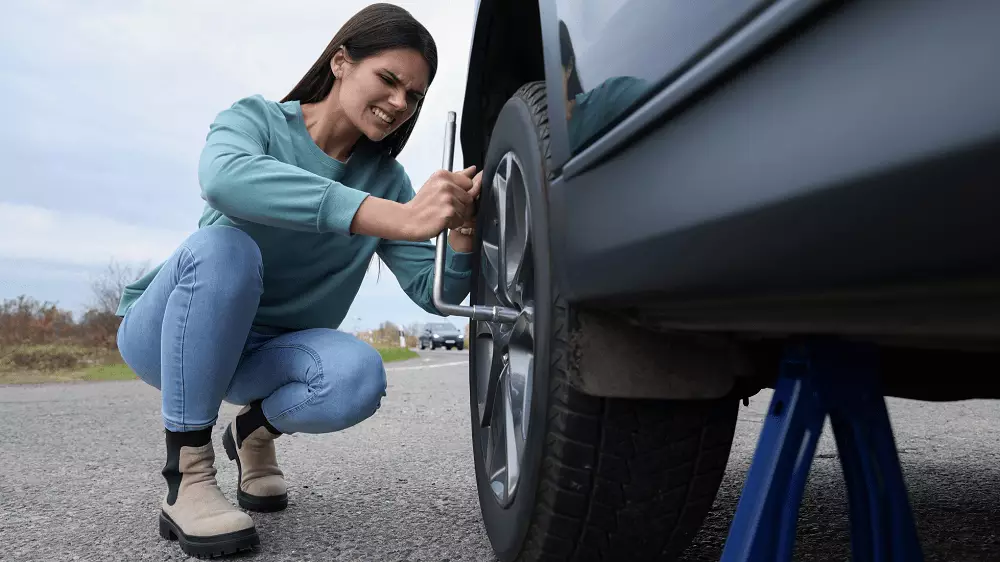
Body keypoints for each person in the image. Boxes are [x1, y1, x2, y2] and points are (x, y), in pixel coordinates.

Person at [115, 4, 480, 558]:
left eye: (415, 95)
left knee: (358, 375)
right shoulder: (257, 119)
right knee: (224, 248)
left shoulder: (387, 180)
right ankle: (186, 479)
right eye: (388, 79)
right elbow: (223, 179)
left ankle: (253, 434)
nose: (400, 103)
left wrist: (461, 232)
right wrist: (395, 216)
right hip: (171, 335)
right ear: (340, 62)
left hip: (266, 359)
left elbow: (439, 295)